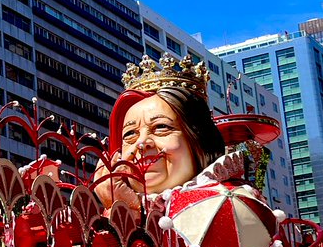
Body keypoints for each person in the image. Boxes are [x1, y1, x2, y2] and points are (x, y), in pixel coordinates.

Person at [94, 53, 228, 212]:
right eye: (130, 134)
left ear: (201, 139)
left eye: (160, 127)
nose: (141, 143)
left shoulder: (228, 203)